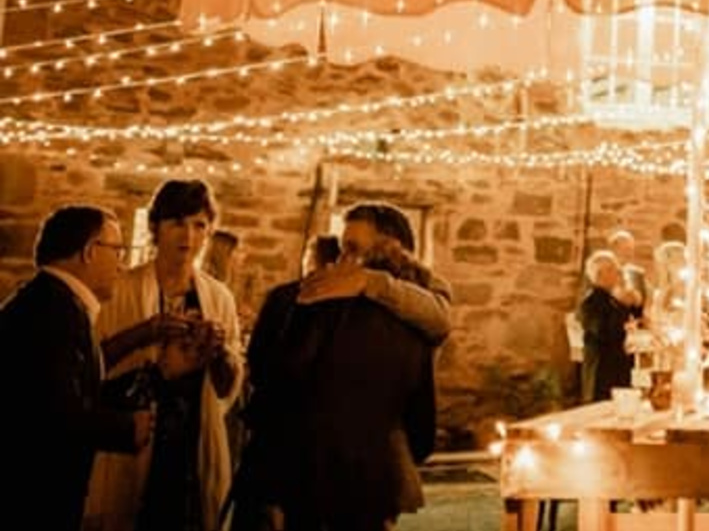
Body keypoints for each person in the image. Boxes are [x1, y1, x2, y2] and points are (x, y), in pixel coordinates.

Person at [235, 219, 451, 530]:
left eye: (352, 248)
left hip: (326, 465)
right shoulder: (308, 299)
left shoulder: (421, 307)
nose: (342, 257)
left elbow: (272, 377)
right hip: (361, 471)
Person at [88, 178, 244, 531]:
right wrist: (147, 332)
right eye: (177, 223)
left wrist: (219, 352)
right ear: (156, 227)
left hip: (189, 443)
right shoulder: (121, 289)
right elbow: (92, 365)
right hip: (132, 435)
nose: (188, 235)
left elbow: (227, 389)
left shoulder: (218, 298)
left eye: (198, 225)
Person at [0, 205, 153, 531]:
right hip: (32, 498)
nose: (122, 264)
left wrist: (157, 375)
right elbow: (56, 416)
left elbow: (70, 389)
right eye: (117, 251)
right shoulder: (54, 313)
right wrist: (128, 428)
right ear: (88, 251)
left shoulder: (53, 301)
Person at [578, 250, 636, 402]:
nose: (618, 272)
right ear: (599, 275)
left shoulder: (612, 299)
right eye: (612, 269)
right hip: (601, 372)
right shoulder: (592, 302)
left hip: (618, 368)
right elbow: (604, 331)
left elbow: (632, 317)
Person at [609, 229, 650, 310]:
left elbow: (644, 303)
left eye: (631, 249)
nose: (630, 254)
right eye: (626, 249)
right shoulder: (601, 272)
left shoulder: (637, 273)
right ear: (614, 249)